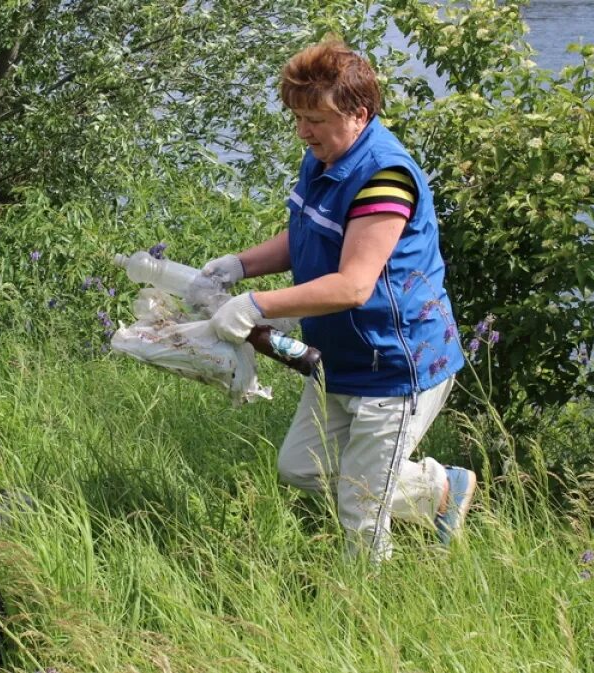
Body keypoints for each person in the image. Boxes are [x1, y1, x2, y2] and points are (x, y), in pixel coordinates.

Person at [204, 40, 474, 560]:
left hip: (395, 365)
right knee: (302, 468)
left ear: (359, 113)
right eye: (298, 118)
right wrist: (238, 265)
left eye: (315, 119)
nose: (304, 132)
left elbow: (354, 284)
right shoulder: (324, 157)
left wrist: (256, 305)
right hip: (341, 359)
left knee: (360, 507)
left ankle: (369, 613)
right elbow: (308, 235)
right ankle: (438, 492)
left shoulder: (383, 177)